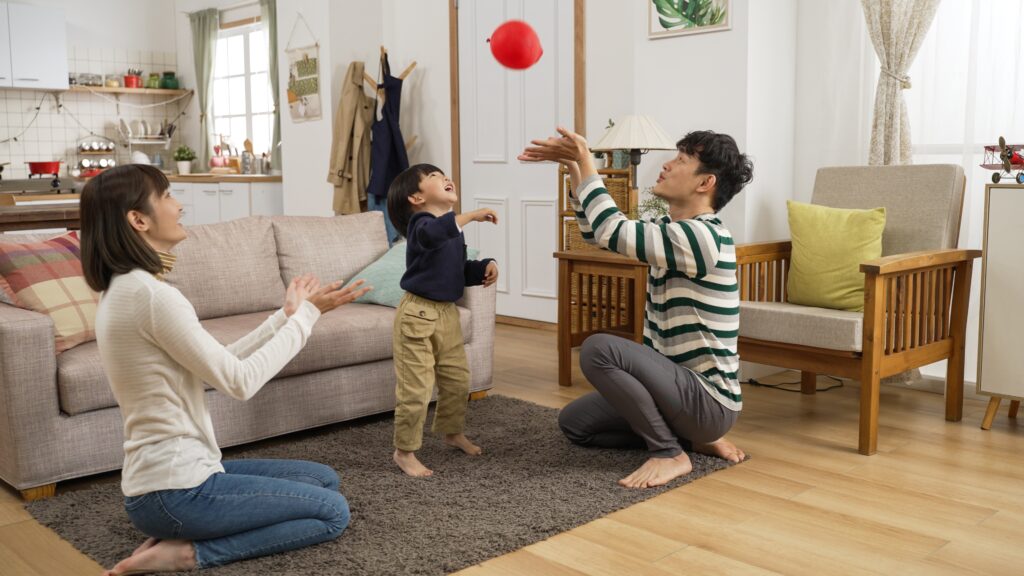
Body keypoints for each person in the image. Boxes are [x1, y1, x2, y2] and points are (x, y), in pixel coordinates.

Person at [80, 164, 371, 574]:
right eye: (166, 196)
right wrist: (305, 319)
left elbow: (215, 365)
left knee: (321, 479)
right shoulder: (151, 296)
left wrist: (285, 317)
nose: (178, 205)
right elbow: (240, 381)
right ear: (138, 219)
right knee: (332, 512)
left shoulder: (126, 289)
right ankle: (185, 554)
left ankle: (176, 532)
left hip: (168, 485)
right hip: (176, 492)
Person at [519, 127, 752, 489]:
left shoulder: (703, 236)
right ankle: (691, 441)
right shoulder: (669, 229)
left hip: (708, 400)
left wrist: (584, 158)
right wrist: (575, 167)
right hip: (675, 394)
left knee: (599, 348)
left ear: (705, 183)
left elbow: (612, 229)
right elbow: (597, 233)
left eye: (681, 160)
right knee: (575, 424)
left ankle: (669, 453)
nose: (666, 165)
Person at [385, 164, 499, 477]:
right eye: (434, 177)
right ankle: (404, 451)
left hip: (446, 314)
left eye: (444, 174)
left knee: (457, 379)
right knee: (416, 389)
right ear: (416, 198)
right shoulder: (421, 226)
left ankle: (452, 432)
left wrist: (484, 267)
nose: (446, 178)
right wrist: (471, 216)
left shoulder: (452, 232)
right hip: (417, 315)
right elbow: (435, 234)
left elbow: (457, 270)